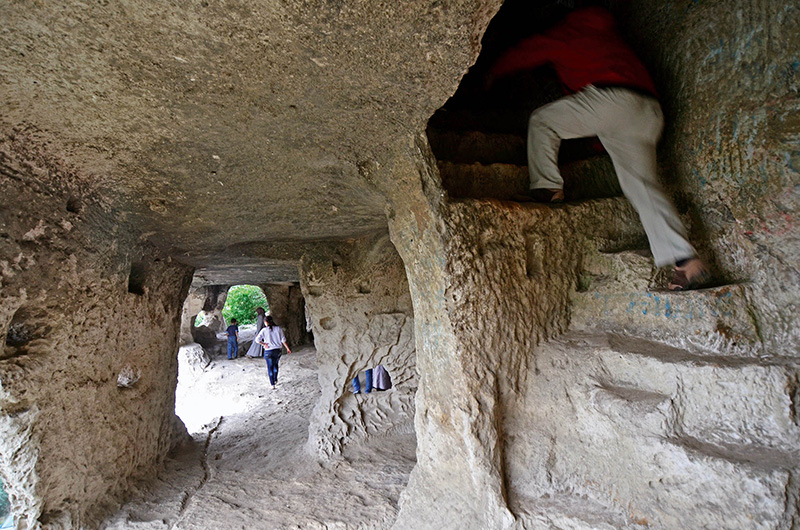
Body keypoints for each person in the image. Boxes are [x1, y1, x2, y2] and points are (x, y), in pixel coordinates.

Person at [486, 5, 709, 291]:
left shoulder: (568, 32)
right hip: (649, 111)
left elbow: (529, 50)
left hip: (612, 101)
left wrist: (493, 70)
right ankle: (687, 262)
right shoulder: (609, 38)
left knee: (542, 121)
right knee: (643, 187)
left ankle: (547, 188)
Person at [255, 315, 291, 388]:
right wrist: (288, 348)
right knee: (275, 365)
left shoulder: (264, 330)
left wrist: (264, 344)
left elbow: (257, 340)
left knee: (269, 367)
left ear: (265, 322)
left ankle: (272, 384)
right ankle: (275, 379)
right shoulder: (278, 329)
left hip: (268, 351)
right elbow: (283, 340)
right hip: (277, 350)